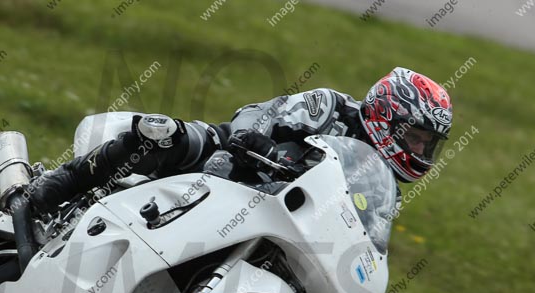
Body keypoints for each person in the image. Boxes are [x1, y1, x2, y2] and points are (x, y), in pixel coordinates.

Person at [28, 67, 452, 214]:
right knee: (163, 135)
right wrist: (256, 140)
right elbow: (260, 113)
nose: (419, 151)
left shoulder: (385, 187)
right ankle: (59, 185)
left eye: (427, 144)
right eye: (415, 138)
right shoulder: (331, 107)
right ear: (387, 116)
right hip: (235, 157)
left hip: (277, 211)